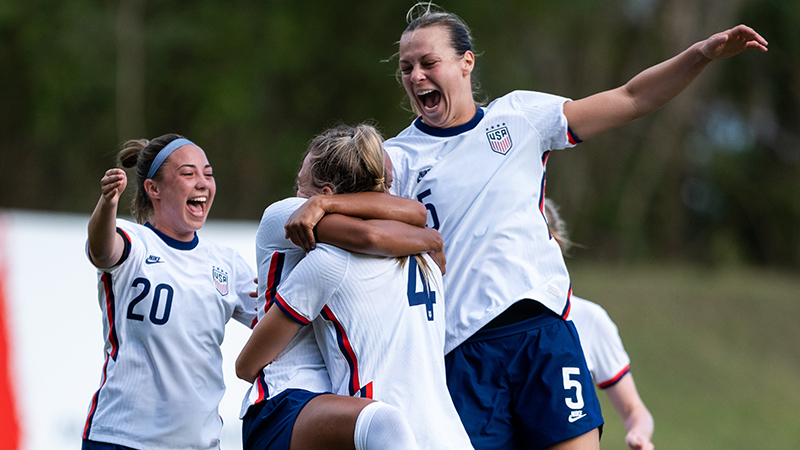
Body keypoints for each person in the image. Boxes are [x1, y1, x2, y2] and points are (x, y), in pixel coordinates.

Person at [285, 4, 767, 449]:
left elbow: (632, 97)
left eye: (428, 62)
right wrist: (323, 206)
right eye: (406, 68)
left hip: (542, 333)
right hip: (460, 351)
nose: (416, 76)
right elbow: (345, 212)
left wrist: (700, 54)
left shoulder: (520, 117)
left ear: (466, 63)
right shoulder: (397, 158)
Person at [236, 124, 469, 450]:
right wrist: (430, 238)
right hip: (295, 402)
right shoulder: (416, 254)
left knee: (383, 424)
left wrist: (325, 207)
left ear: (326, 194)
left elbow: (374, 233)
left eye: (301, 187)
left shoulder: (331, 255)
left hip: (337, 407)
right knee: (382, 424)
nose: (296, 197)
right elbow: (383, 228)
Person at [82, 134, 258, 450]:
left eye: (208, 173)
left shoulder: (227, 264)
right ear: (154, 189)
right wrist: (108, 203)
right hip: (121, 439)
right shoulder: (133, 240)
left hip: (197, 444)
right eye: (189, 174)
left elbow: (276, 319)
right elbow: (102, 250)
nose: (202, 183)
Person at [544, 199, 655, 450]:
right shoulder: (478, 321)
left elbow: (634, 409)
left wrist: (639, 434)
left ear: (556, 245)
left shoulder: (589, 319)